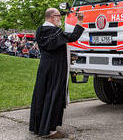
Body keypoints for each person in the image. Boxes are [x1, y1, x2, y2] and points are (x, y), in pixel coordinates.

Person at [29, 8, 84, 138]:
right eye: (59, 16)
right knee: (53, 96)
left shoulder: (40, 29)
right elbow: (72, 37)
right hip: (55, 68)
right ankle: (49, 130)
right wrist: (80, 21)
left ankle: (38, 127)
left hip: (44, 66)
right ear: (52, 17)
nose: (60, 18)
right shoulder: (54, 31)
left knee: (41, 95)